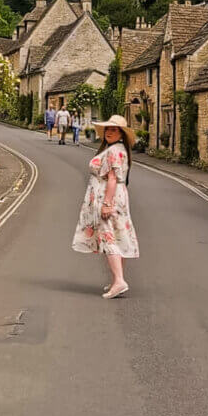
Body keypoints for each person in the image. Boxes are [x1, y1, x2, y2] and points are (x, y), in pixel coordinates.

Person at [71, 114, 139, 298]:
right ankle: (117, 280)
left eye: (113, 129)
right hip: (119, 196)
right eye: (107, 129)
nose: (109, 132)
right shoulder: (119, 149)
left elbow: (112, 179)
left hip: (109, 197)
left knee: (109, 238)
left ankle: (119, 281)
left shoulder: (113, 151)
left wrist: (107, 204)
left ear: (122, 133)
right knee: (117, 236)